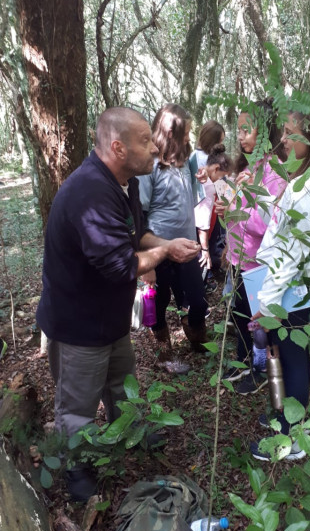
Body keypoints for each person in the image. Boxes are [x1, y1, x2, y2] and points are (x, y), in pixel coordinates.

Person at [36, 107, 201, 500]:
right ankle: (78, 470)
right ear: (117, 147)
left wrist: (166, 244)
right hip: (77, 325)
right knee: (77, 407)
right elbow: (121, 265)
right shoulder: (89, 192)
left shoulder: (123, 183)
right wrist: (164, 256)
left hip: (108, 319)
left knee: (122, 386)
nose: (155, 146)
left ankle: (129, 434)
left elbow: (137, 235)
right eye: (145, 140)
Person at [250, 99, 310, 461]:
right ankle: (285, 418)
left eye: (291, 134)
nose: (283, 140)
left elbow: (290, 257)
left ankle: (290, 439)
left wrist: (265, 305)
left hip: (286, 290)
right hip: (285, 286)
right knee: (290, 355)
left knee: (293, 358)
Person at [216, 99, 287, 395]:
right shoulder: (247, 166)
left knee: (259, 321)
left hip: (258, 263)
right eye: (239, 130)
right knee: (240, 313)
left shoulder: (274, 172)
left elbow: (267, 224)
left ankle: (260, 367)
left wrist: (233, 208)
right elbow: (238, 209)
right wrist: (226, 207)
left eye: (248, 130)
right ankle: (243, 360)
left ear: (267, 132)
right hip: (238, 259)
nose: (241, 136)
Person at [138, 104, 209, 370]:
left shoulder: (184, 163)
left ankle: (197, 338)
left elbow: (189, 198)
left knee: (196, 299)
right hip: (159, 249)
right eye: (185, 134)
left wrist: (199, 176)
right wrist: (148, 264)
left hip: (187, 246)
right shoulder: (150, 166)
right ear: (170, 134)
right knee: (158, 303)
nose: (189, 139)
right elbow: (140, 214)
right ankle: (164, 354)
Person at [189, 121, 227, 292]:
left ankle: (206, 275)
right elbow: (218, 185)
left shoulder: (195, 157)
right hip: (204, 208)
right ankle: (203, 278)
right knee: (202, 245)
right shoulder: (200, 159)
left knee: (207, 243)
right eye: (220, 141)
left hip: (208, 208)